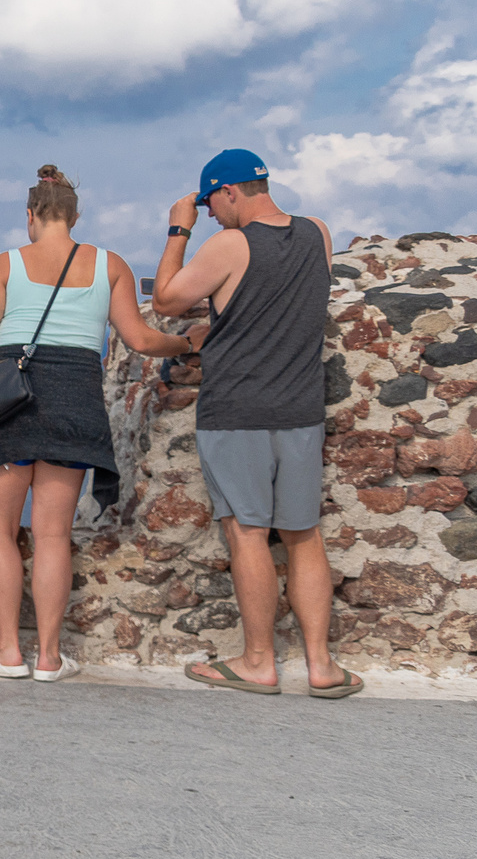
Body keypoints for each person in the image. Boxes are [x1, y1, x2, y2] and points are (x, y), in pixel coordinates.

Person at [0, 166, 202, 681]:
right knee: (53, 535)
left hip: (7, 406)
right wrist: (188, 343)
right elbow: (141, 340)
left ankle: (7, 651)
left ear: (30, 215)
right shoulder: (110, 265)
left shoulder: (7, 263)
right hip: (76, 405)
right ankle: (50, 658)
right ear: (75, 217)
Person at [153, 151, 359, 698]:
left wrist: (178, 229)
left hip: (237, 411)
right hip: (301, 410)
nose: (210, 214)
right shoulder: (318, 232)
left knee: (247, 533)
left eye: (210, 203)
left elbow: (167, 300)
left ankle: (258, 662)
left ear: (228, 192)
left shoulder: (230, 245)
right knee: (303, 535)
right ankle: (322, 666)